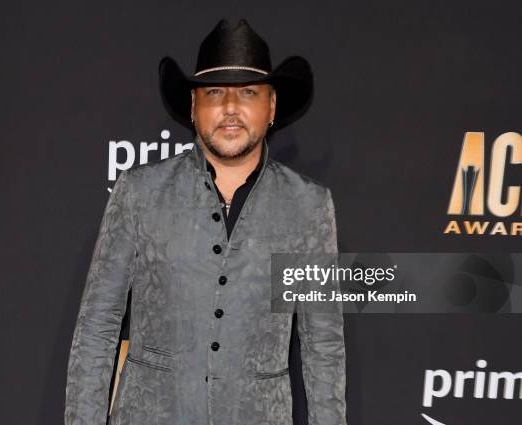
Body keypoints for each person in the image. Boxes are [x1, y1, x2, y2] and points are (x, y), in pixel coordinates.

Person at [65, 18, 346, 425]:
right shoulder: (140, 192)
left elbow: (323, 345)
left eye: (248, 92)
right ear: (194, 107)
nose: (231, 108)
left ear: (271, 107)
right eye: (215, 92)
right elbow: (97, 328)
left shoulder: (308, 206)